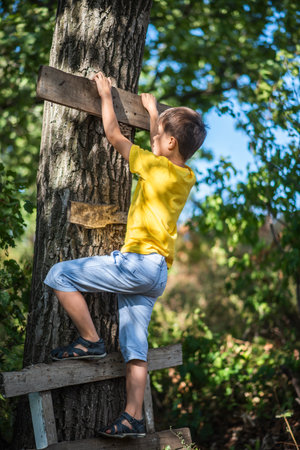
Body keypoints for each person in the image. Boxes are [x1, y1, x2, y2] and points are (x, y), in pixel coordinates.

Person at [44, 71, 207, 438]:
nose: (154, 137)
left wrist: (105, 96)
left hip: (137, 263)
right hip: (157, 275)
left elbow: (115, 136)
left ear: (167, 142)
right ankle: (132, 416)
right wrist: (153, 113)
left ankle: (89, 339)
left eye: (159, 133)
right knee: (135, 347)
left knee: (59, 275)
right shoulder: (184, 176)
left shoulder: (153, 166)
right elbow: (157, 145)